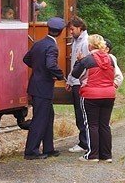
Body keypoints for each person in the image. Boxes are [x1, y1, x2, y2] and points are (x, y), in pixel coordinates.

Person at [22, 17, 66, 160]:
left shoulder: (38, 44)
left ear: (49, 29)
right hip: (43, 88)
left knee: (48, 117)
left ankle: (49, 148)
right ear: (60, 32)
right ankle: (31, 151)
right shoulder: (52, 47)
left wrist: (38, 69)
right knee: (40, 119)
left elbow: (26, 59)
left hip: (36, 85)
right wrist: (61, 76)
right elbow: (51, 65)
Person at [70, 34, 117, 162]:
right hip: (109, 95)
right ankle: (106, 155)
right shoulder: (111, 59)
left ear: (90, 45)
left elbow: (75, 74)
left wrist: (78, 61)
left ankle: (92, 154)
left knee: (92, 125)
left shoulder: (87, 60)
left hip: (91, 95)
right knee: (104, 125)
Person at [65, 16, 90, 154]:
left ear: (80, 28)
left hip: (81, 83)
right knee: (79, 113)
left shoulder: (85, 43)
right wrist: (70, 80)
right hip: (75, 81)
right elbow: (74, 63)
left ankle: (84, 142)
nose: (70, 32)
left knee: (81, 113)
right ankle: (84, 141)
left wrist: (76, 80)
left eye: (72, 29)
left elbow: (83, 65)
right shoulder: (76, 42)